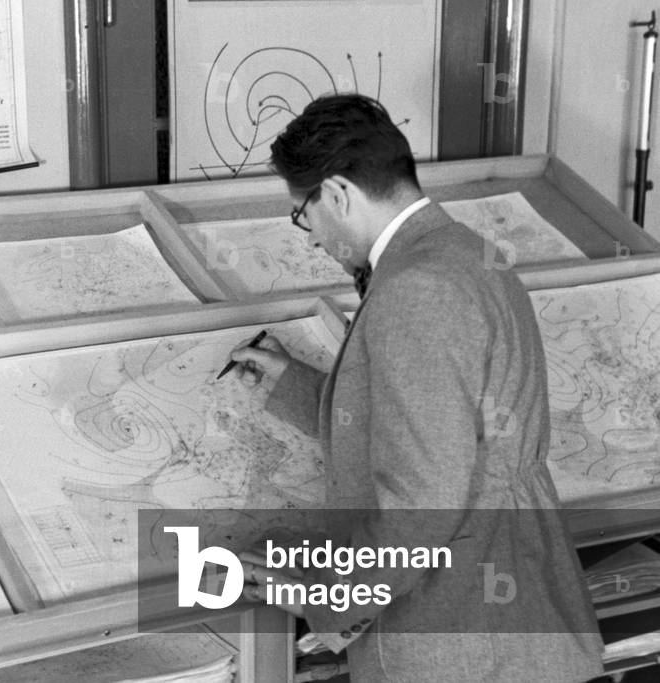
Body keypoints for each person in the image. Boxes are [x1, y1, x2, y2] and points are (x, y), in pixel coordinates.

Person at [231, 94, 604, 682]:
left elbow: (420, 507)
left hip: (463, 634)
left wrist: (318, 598)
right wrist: (295, 388)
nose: (309, 237)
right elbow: (446, 428)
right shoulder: (464, 252)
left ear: (337, 194)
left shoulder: (415, 291)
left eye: (303, 215)